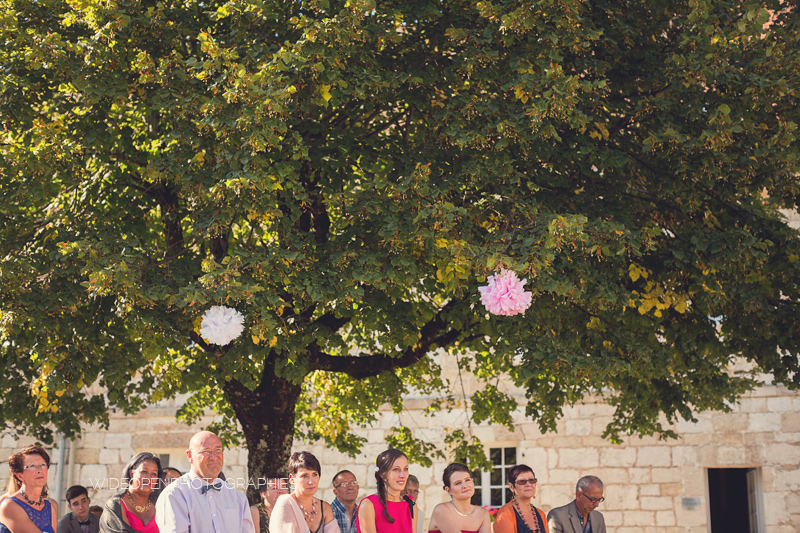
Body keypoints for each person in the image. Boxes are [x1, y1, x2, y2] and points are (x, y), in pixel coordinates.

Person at [156, 431, 254, 533]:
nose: (214, 457)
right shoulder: (175, 495)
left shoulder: (237, 498)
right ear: (190, 456)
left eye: (218, 450)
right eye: (206, 451)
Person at [269, 452, 339, 533]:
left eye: (314, 474)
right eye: (304, 476)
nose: (311, 481)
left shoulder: (325, 508)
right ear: (292, 479)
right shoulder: (286, 503)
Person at [356, 449, 417, 533]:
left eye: (406, 469)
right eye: (396, 469)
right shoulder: (368, 505)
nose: (403, 475)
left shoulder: (411, 505)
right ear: (382, 474)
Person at [0, 445, 58, 533]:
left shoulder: (50, 507)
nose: (39, 470)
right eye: (32, 466)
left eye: (43, 465)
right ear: (20, 476)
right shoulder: (9, 505)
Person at [100, 452, 162, 533]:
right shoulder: (116, 505)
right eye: (144, 471)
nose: (149, 477)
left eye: (154, 474)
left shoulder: (160, 503)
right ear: (131, 474)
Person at [427, 463, 490, 533]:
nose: (465, 486)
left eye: (467, 480)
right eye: (458, 483)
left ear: (472, 481)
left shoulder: (482, 513)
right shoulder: (441, 510)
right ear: (448, 490)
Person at [492, 465, 547, 533]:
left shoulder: (541, 514)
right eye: (522, 481)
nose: (528, 484)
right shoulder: (505, 514)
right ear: (511, 487)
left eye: (531, 480)